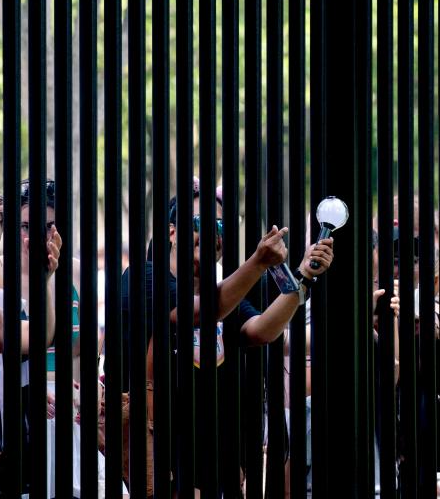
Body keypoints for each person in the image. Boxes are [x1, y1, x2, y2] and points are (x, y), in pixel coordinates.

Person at [115, 179, 333, 496]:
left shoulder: (226, 292)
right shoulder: (144, 276)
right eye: (200, 222)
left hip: (215, 460)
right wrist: (257, 262)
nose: (212, 231)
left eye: (219, 224)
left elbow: (263, 330)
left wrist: (304, 276)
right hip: (161, 454)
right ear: (172, 232)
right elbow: (202, 312)